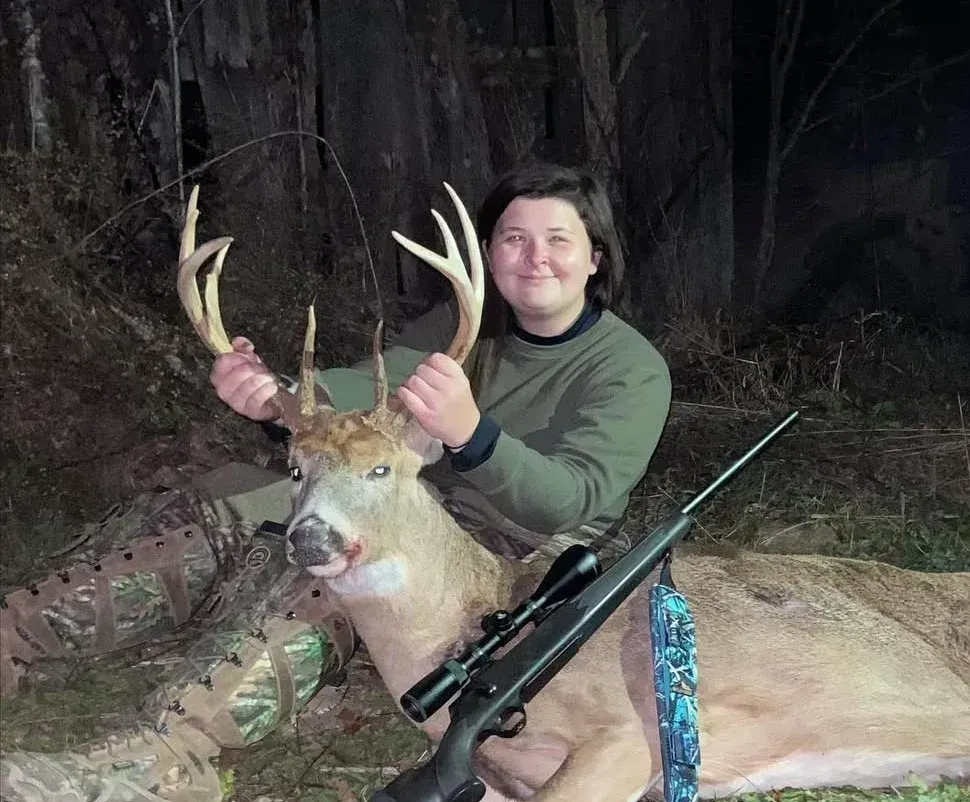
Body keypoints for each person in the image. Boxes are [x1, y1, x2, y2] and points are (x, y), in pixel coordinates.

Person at [0, 162, 671, 802]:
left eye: (558, 240)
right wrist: (280, 397)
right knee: (227, 519)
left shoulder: (630, 368)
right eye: (514, 239)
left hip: (523, 547)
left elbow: (571, 499)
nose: (534, 258)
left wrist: (473, 434)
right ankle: (14, 638)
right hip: (407, 489)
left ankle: (164, 762)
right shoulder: (464, 329)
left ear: (595, 258)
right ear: (490, 254)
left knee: (341, 572)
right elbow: (367, 389)